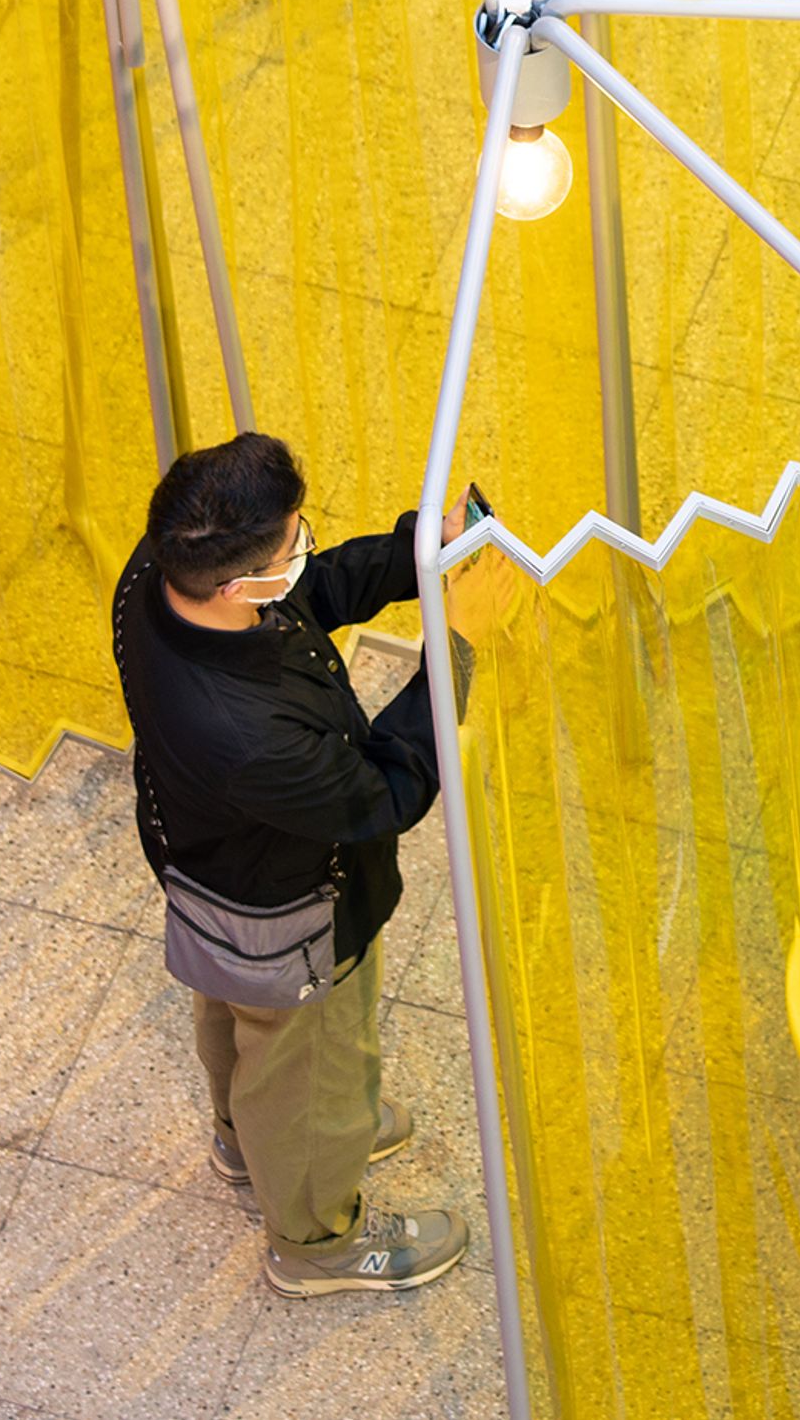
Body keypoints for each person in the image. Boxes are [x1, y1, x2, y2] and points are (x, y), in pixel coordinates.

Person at [110, 431, 471, 1297]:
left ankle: (247, 1137)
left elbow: (314, 587)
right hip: (295, 914)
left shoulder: (157, 576)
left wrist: (425, 549)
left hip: (208, 871)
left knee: (233, 1018)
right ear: (239, 585)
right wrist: (455, 651)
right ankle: (315, 1237)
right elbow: (386, 791)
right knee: (314, 1063)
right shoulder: (247, 737)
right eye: (293, 538)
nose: (304, 544)